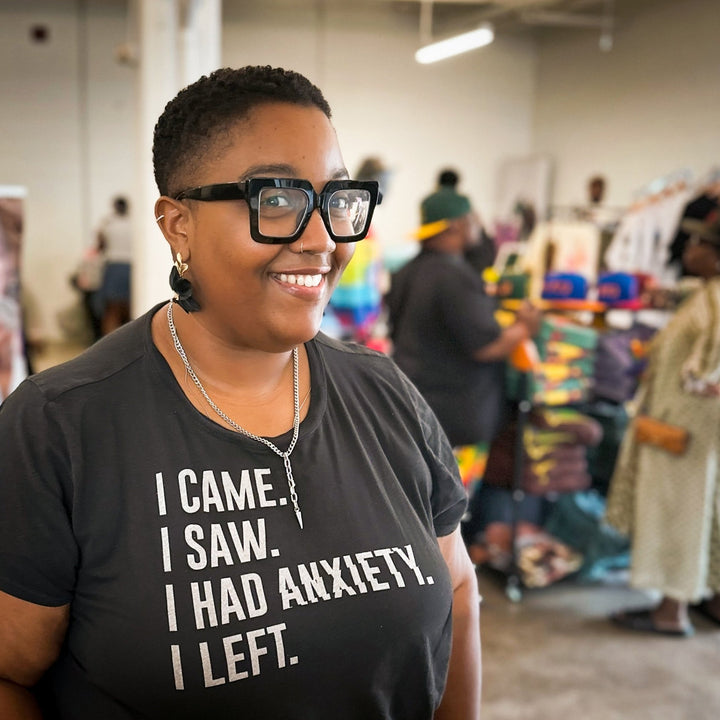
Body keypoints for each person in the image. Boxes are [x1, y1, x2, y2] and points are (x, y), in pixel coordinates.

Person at [0, 66, 480, 719]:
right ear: (178, 227)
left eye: (336, 200)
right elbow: (11, 672)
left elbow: (455, 586)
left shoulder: (384, 391)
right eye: (277, 199)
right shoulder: (58, 427)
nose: (322, 240)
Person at [606, 211, 720, 637]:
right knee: (695, 509)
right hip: (682, 424)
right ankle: (695, 600)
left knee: (681, 513)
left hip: (686, 429)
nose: (688, 251)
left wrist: (694, 378)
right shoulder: (705, 292)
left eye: (699, 246)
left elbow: (706, 371)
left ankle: (672, 612)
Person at [386, 185, 541, 450]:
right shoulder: (454, 277)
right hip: (455, 423)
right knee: (455, 491)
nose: (478, 227)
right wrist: (524, 328)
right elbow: (486, 347)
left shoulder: (406, 272)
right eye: (474, 220)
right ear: (457, 225)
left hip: (415, 407)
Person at [95, 195, 132, 335]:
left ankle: (108, 343)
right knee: (129, 309)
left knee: (111, 310)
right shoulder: (134, 224)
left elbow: (100, 246)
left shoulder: (108, 224)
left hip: (114, 266)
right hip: (130, 267)